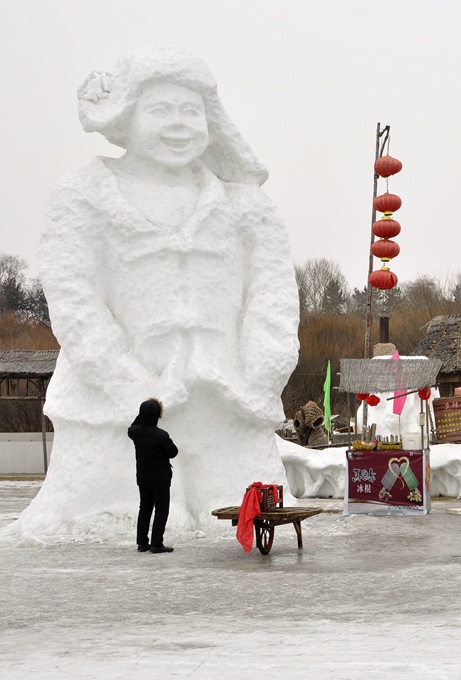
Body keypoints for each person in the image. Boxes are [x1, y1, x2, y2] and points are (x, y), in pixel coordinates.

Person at [11, 47, 299, 539]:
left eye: (192, 111)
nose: (179, 124)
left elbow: (272, 300)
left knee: (231, 504)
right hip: (111, 411)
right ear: (126, 116)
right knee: (112, 512)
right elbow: (75, 300)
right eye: (160, 110)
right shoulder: (83, 194)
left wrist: (260, 375)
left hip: (226, 403)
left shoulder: (248, 207)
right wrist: (131, 383)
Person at [129, 399, 178, 553]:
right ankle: (156, 544)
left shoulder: (134, 432)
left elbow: (134, 424)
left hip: (143, 477)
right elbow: (173, 452)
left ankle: (142, 543)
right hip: (160, 478)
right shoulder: (162, 436)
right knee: (161, 509)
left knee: (145, 508)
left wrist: (143, 414)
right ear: (157, 415)